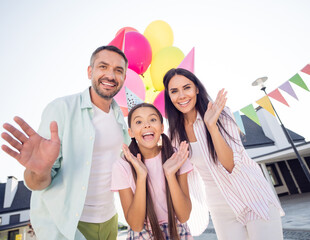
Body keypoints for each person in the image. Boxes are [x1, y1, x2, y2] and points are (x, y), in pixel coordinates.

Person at [1, 45, 131, 240]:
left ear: (123, 78)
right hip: (68, 225)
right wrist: (39, 170)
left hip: (109, 221)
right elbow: (37, 182)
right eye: (103, 67)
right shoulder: (61, 108)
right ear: (90, 71)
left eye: (118, 70)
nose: (110, 75)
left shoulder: (121, 119)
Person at [163, 68, 285, 240]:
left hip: (252, 196)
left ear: (197, 89)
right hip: (219, 208)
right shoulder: (173, 135)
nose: (181, 95)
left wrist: (211, 127)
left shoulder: (221, 114)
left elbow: (230, 165)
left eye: (187, 87)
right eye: (174, 91)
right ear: (169, 97)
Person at [111, 103, 193, 240]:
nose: (146, 125)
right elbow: (136, 225)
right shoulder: (122, 165)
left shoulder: (176, 157)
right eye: (138, 121)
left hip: (177, 231)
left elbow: (184, 215)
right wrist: (141, 177)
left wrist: (170, 175)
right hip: (142, 234)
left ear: (161, 127)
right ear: (130, 132)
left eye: (152, 119)